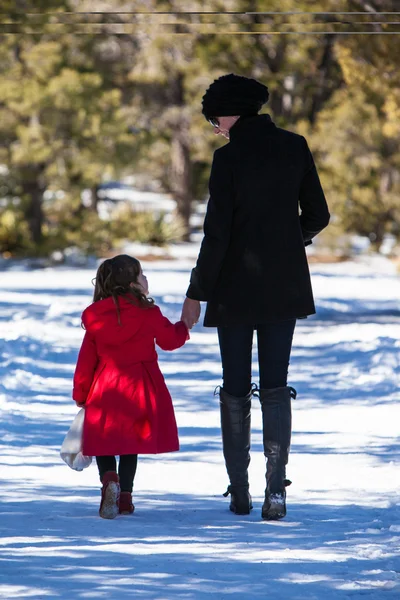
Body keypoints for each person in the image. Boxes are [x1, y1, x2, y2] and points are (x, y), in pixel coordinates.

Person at [181, 73, 330, 520]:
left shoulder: (227, 159)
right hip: (283, 286)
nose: (214, 127)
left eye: (215, 118)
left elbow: (216, 234)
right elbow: (319, 214)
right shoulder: (295, 145)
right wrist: (288, 241)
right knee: (276, 385)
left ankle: (241, 491)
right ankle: (276, 492)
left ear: (233, 112)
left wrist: (195, 291)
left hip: (233, 290)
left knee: (234, 386)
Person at [73, 255, 189, 519]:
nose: (146, 279)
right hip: (140, 387)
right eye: (142, 275)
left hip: (105, 387)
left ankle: (109, 480)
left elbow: (86, 360)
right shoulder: (148, 313)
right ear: (133, 284)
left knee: (102, 442)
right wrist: (184, 325)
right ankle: (125, 498)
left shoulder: (97, 317)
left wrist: (81, 393)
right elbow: (170, 340)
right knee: (130, 443)